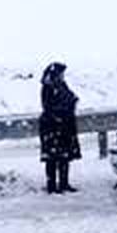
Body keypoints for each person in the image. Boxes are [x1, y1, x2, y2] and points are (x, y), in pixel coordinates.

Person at [39, 62, 81, 193]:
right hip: (52, 126)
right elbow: (48, 107)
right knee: (52, 158)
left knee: (64, 156)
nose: (63, 76)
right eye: (61, 74)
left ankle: (64, 183)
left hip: (64, 126)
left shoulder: (62, 85)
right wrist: (60, 115)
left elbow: (71, 98)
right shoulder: (48, 88)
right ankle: (51, 185)